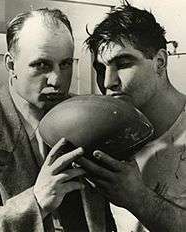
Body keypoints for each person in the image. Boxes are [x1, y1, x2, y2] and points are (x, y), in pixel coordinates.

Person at [0, 8, 115, 232]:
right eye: (42, 65)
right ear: (11, 65)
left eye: (65, 64)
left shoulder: (87, 115)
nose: (56, 80)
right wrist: (36, 201)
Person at [77, 2, 186, 232]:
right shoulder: (105, 135)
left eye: (123, 64)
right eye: (101, 68)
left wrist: (138, 198)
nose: (108, 83)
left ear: (160, 62)